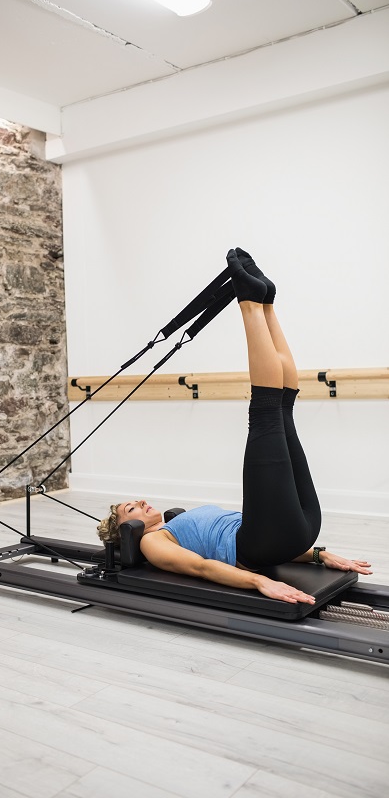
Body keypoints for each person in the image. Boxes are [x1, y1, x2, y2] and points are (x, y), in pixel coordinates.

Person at [97, 247, 372, 604]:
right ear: (124, 531)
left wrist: (318, 554)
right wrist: (258, 583)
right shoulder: (151, 543)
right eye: (131, 509)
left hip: (294, 531)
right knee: (266, 410)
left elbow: (262, 530)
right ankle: (249, 303)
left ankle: (266, 303)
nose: (142, 503)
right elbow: (201, 569)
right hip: (268, 540)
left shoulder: (172, 524)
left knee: (283, 406)